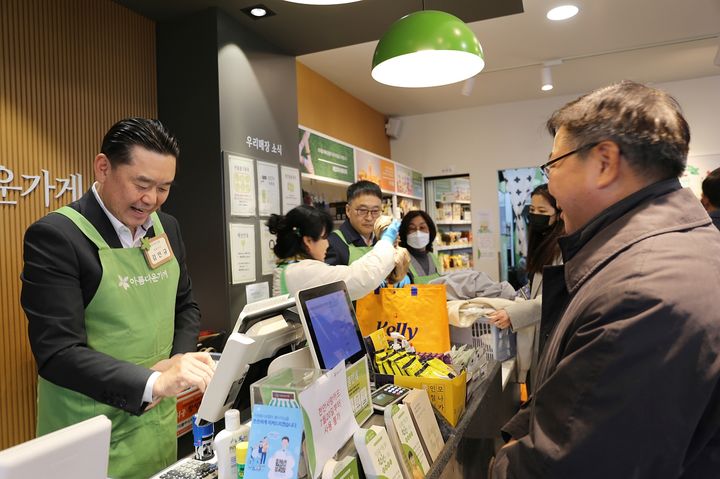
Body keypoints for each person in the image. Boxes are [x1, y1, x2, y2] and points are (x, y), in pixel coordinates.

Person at [492, 81, 720, 478]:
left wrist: (508, 457)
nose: (551, 184)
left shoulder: (642, 293)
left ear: (604, 162)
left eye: (554, 165)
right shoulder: (659, 252)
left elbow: (564, 466)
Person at [21, 118, 215, 479]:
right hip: (87, 430)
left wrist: (177, 361)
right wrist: (151, 381)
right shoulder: (58, 236)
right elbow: (57, 352)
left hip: (155, 422)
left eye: (164, 188)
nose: (151, 199)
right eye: (142, 184)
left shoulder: (165, 226)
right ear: (103, 167)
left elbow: (185, 305)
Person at [487, 184, 563, 393]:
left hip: (548, 334)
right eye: (532, 210)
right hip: (538, 327)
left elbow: (555, 297)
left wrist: (513, 313)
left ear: (558, 214)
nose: (535, 216)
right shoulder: (542, 242)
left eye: (542, 211)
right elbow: (535, 285)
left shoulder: (561, 248)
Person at [268, 204, 399, 300]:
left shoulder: (292, 268)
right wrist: (386, 242)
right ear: (308, 241)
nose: (327, 243)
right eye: (324, 237)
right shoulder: (301, 272)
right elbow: (359, 278)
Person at [325, 180, 383, 266]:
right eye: (362, 210)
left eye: (375, 211)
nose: (369, 218)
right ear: (348, 210)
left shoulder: (382, 240)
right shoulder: (333, 243)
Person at [398, 210, 442, 284]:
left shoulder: (433, 257)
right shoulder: (400, 260)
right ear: (405, 233)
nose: (418, 233)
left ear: (430, 230)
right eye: (412, 228)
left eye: (422, 227)